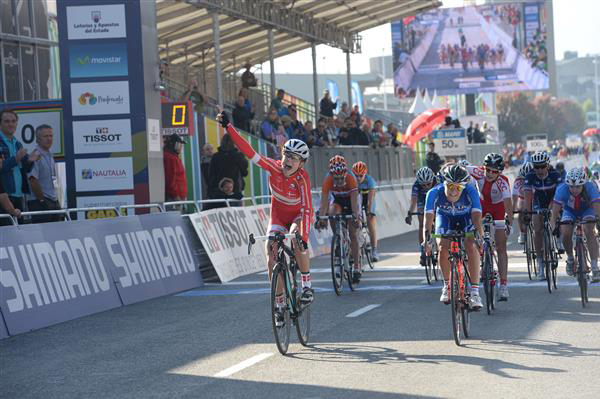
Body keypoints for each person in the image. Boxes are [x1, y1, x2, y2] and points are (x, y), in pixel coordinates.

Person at [217, 111, 314, 325]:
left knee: (297, 239)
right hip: (278, 215)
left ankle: (307, 285)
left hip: (299, 215)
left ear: (301, 164)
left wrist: (303, 235)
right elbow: (249, 152)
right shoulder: (274, 167)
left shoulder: (302, 179)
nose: (288, 161)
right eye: (286, 155)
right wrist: (229, 127)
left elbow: (307, 208)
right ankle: (279, 305)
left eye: (293, 158)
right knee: (271, 253)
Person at [423, 164, 484, 310]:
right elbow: (428, 218)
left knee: (471, 246)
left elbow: (476, 216)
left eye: (458, 187)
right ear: (444, 183)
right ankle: (447, 285)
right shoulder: (433, 193)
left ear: (464, 186)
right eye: (450, 186)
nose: (453, 191)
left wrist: (479, 236)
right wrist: (427, 239)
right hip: (444, 218)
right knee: (443, 247)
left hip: (466, 218)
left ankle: (475, 292)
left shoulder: (471, 191)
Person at [466, 153, 513, 301]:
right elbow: (458, 168)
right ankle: (479, 255)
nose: (490, 173)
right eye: (488, 170)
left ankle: (504, 285)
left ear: (500, 172)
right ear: (484, 167)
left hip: (498, 208)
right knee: (473, 236)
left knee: (501, 246)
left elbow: (508, 203)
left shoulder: (503, 182)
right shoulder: (478, 172)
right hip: (482, 205)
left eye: (495, 171)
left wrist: (509, 222)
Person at [317, 155, 362, 283]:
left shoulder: (351, 178)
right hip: (338, 201)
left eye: (341, 178)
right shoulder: (328, 180)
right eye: (336, 178)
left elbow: (354, 202)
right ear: (332, 176)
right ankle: (338, 235)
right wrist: (322, 218)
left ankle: (357, 267)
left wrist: (356, 216)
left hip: (350, 200)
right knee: (331, 212)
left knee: (353, 233)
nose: (339, 181)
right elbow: (324, 202)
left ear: (345, 174)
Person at [550, 168, 600, 282]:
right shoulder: (561, 189)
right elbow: (554, 213)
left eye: (578, 186)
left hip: (587, 210)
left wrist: (598, 221)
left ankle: (594, 266)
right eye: (571, 187)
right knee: (566, 232)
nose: (574, 189)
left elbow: (597, 207)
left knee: (589, 231)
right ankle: (570, 258)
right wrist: (554, 227)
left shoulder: (590, 187)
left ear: (583, 184)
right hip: (570, 211)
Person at [522, 151, 561, 281]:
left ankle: (557, 239)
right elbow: (527, 198)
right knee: (537, 230)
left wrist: (552, 208)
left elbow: (560, 195)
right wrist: (527, 212)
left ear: (548, 165)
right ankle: (540, 263)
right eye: (536, 166)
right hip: (538, 201)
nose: (539, 170)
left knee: (554, 218)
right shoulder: (530, 176)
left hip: (553, 199)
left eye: (542, 166)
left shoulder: (555, 175)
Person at [0, 109, 39, 225]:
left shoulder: (17, 143)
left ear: (17, 123)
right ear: (0, 123)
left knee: (18, 236)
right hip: (4, 196)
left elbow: (25, 169)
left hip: (18, 195)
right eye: (7, 121)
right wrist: (16, 158)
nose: (10, 124)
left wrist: (31, 161)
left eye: (13, 121)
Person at [26, 125, 62, 223]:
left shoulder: (50, 153)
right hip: (39, 202)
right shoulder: (35, 155)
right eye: (45, 136)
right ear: (38, 139)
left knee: (56, 234)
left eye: (51, 136)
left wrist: (55, 200)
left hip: (53, 199)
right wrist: (42, 200)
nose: (49, 139)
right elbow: (32, 180)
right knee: (43, 235)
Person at [406, 167, 437, 257]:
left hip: (436, 199)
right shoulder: (416, 185)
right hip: (422, 200)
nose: (426, 187)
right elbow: (414, 201)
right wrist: (410, 213)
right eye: (423, 185)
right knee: (422, 223)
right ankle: (423, 248)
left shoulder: (437, 181)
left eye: (428, 184)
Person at [352, 161, 379, 261]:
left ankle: (374, 250)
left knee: (370, 221)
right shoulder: (353, 181)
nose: (358, 178)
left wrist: (369, 211)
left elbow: (370, 199)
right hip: (358, 197)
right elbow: (354, 199)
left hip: (368, 197)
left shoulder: (370, 180)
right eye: (356, 176)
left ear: (365, 174)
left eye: (360, 176)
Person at [207, 134, 248, 198]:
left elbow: (211, 175)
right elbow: (245, 173)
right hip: (235, 192)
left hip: (218, 192)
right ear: (234, 143)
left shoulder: (215, 156)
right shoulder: (238, 156)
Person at [163, 133, 188, 204]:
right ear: (174, 144)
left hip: (177, 198)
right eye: (179, 144)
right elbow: (170, 180)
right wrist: (175, 196)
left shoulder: (173, 157)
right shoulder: (170, 158)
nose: (181, 147)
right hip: (174, 199)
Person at [514, 162, 533, 245]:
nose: (526, 180)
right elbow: (514, 196)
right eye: (523, 178)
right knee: (520, 211)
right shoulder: (518, 180)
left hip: (534, 198)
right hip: (522, 198)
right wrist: (513, 209)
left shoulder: (536, 177)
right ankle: (522, 233)